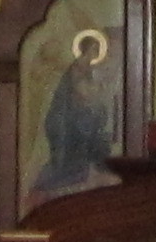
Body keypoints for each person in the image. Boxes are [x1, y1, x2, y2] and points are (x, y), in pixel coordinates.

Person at [34, 29, 118, 199]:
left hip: (82, 113)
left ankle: (93, 165)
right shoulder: (77, 68)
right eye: (94, 49)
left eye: (97, 50)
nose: (96, 53)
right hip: (69, 117)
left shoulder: (89, 69)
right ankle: (76, 171)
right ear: (86, 49)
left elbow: (93, 92)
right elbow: (80, 92)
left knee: (98, 123)